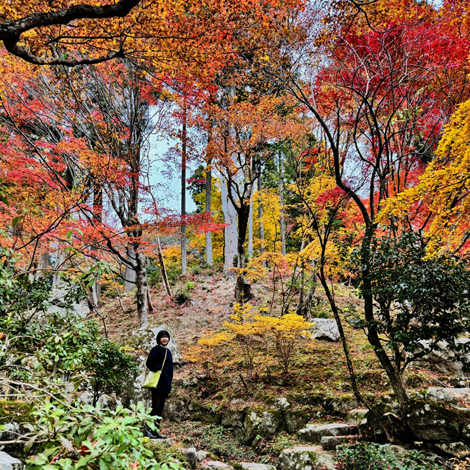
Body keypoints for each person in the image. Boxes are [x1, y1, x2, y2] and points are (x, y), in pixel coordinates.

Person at [145, 330, 174, 439]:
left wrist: (169, 385)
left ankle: (155, 431)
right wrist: (158, 367)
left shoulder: (168, 352)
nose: (165, 339)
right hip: (157, 383)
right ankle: (147, 430)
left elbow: (170, 370)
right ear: (159, 339)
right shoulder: (156, 350)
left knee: (160, 408)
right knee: (155, 406)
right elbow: (149, 363)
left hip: (165, 384)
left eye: (166, 337)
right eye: (162, 337)